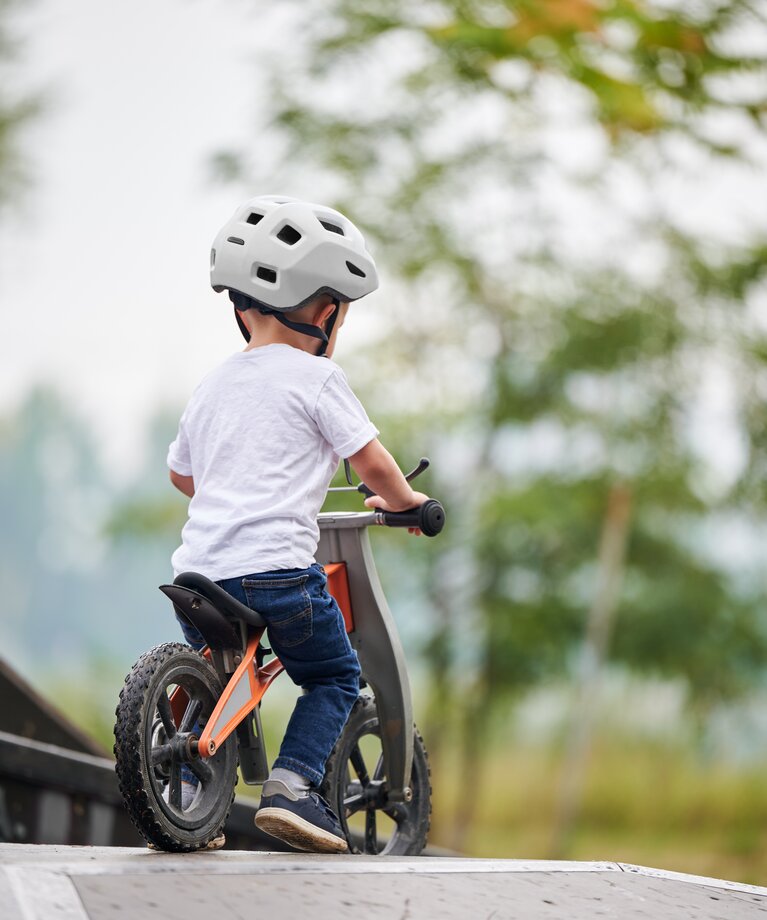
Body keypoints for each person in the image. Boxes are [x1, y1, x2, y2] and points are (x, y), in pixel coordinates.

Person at [166, 195, 428, 853]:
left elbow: (182, 477)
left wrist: (229, 485)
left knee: (220, 668)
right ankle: (292, 787)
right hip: (275, 575)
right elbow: (372, 462)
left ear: (239, 308)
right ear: (324, 310)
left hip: (197, 574)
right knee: (334, 676)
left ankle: (189, 794)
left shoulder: (212, 385)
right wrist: (408, 507)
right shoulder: (317, 379)